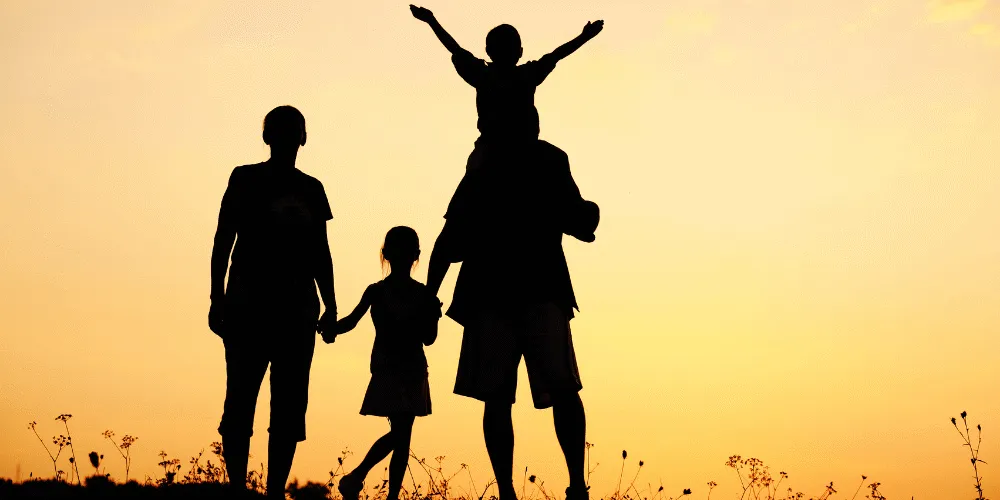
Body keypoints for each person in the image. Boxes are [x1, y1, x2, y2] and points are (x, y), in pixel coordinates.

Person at [208, 105, 337, 498]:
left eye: (291, 130)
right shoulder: (244, 178)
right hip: (247, 305)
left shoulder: (312, 189)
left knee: (288, 408)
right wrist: (217, 298)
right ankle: (236, 488)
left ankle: (274, 492)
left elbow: (321, 251)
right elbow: (222, 239)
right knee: (241, 402)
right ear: (268, 137)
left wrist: (331, 306)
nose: (285, 138)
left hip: (297, 310)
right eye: (278, 130)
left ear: (302, 138)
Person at [320, 226, 442, 500]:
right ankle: (367, 481)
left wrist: (330, 330)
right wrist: (432, 315)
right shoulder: (418, 295)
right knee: (402, 434)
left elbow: (349, 323)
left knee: (401, 434)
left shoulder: (380, 292)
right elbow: (430, 338)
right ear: (416, 255)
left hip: (398, 368)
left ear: (385, 254)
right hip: (401, 368)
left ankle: (364, 480)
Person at [409, 4, 603, 171]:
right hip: (496, 147)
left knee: (559, 159)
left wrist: (431, 21)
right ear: (519, 52)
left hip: (521, 147)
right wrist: (584, 37)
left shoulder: (498, 74)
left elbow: (556, 55)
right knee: (558, 159)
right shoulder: (504, 74)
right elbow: (556, 55)